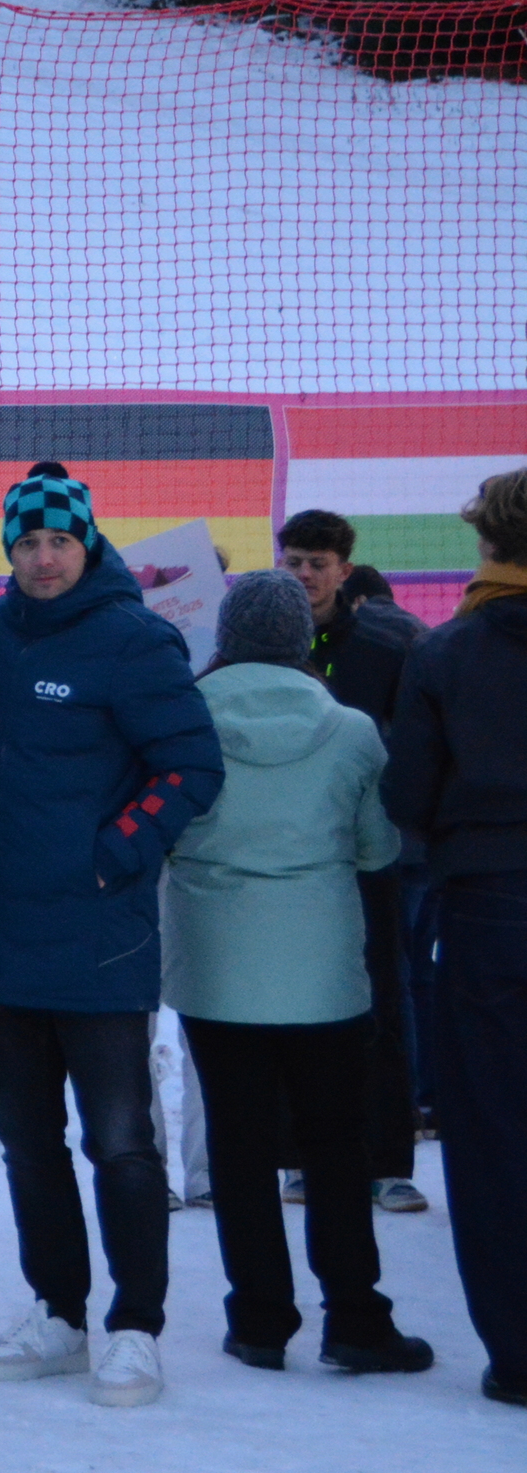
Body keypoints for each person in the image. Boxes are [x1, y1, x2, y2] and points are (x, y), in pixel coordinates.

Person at [0, 464, 222, 1407]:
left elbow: (191, 764)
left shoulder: (133, 637)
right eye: (27, 543)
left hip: (99, 937)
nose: (43, 558)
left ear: (88, 542)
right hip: (3, 939)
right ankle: (60, 1313)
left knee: (119, 1141)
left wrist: (117, 851)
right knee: (28, 1142)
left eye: (59, 541)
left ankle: (136, 1326)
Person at [168, 572, 435, 1377]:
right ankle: (355, 1318)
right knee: (336, 1143)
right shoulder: (352, 731)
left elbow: (165, 831)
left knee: (239, 1144)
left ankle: (258, 1320)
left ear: (226, 638)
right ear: (300, 639)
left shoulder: (184, 719)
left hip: (216, 966)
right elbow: (378, 850)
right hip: (323, 973)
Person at [382, 467, 527, 1407]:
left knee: (493, 1132)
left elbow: (408, 796)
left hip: (489, 906)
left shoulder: (447, 652)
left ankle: (518, 1350)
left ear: (487, 540)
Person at [280, 507, 432, 1212]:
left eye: (318, 564)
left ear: (345, 570)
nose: (305, 575)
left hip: (370, 856)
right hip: (285, 856)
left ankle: (388, 1161)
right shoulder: (260, 645)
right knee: (291, 1002)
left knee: (382, 1000)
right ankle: (299, 1157)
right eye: (294, 562)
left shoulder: (385, 646)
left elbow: (416, 745)